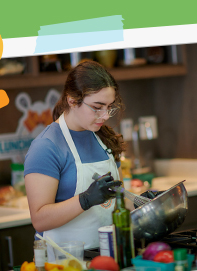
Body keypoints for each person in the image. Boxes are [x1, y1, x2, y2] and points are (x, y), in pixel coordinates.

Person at [24, 61, 126, 253]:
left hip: (108, 255)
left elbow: (117, 200)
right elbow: (39, 219)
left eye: (110, 107)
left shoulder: (106, 138)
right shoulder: (47, 146)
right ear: (72, 100)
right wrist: (85, 199)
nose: (105, 116)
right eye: (97, 107)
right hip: (64, 262)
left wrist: (142, 202)